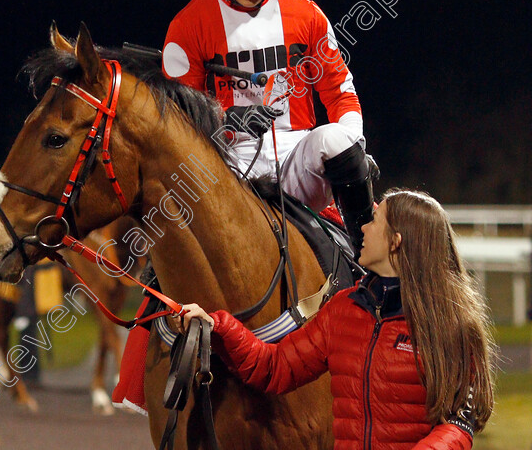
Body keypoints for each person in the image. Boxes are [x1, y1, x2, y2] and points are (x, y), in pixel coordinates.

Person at [170, 189, 496, 449]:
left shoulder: (451, 323)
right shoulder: (343, 310)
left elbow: (461, 421)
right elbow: (273, 368)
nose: (363, 227)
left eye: (375, 222)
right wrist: (218, 326)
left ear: (396, 242)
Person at [162, 0, 375, 251]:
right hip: (224, 168)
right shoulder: (189, 24)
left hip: (297, 162)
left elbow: (342, 96)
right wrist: (226, 123)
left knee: (336, 138)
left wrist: (352, 149)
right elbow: (176, 122)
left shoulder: (307, 16)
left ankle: (367, 256)